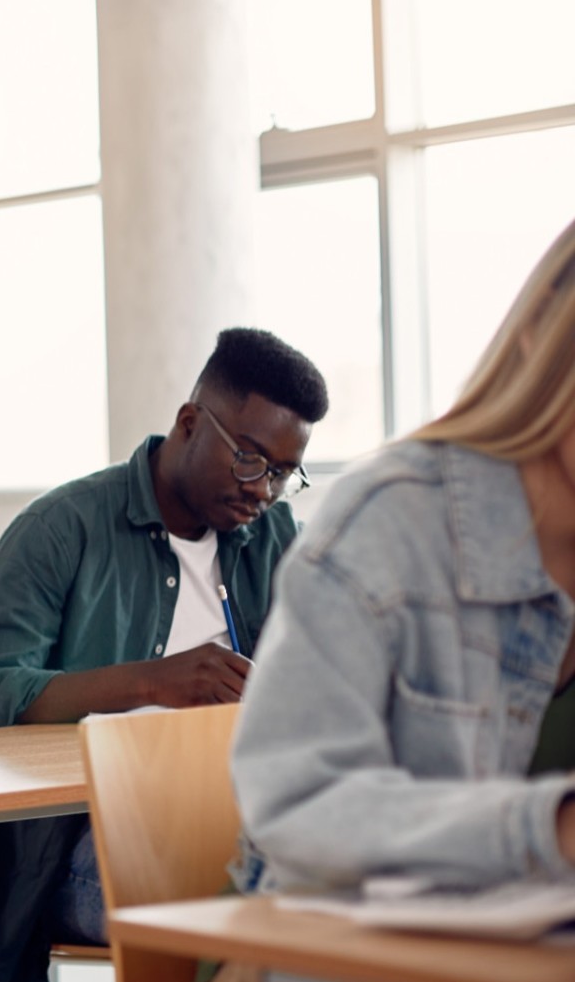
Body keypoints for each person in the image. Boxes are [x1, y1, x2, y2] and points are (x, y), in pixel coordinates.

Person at [0, 328, 329, 982]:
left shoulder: (272, 540)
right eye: (251, 461)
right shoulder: (63, 528)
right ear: (188, 423)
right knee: (259, 909)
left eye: (283, 474)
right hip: (77, 847)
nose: (264, 491)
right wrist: (151, 682)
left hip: (242, 822)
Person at [233, 219, 575, 910]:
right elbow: (301, 803)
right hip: (330, 950)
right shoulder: (390, 521)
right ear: (544, 334)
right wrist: (554, 831)